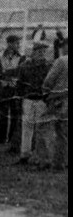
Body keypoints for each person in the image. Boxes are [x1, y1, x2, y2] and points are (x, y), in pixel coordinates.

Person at [14, 41, 52, 166]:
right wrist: (19, 99)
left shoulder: (48, 66)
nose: (42, 54)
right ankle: (25, 154)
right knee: (27, 129)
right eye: (39, 51)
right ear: (34, 52)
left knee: (42, 130)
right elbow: (20, 84)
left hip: (42, 100)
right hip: (28, 100)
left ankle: (40, 156)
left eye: (43, 51)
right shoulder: (25, 66)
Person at [42, 38, 67, 171]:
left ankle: (57, 163)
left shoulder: (61, 61)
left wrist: (46, 93)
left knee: (57, 132)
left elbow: (48, 81)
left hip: (61, 100)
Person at [0, 35, 25, 150]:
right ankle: (0, 138)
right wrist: (8, 75)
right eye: (16, 43)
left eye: (19, 43)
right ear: (9, 44)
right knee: (3, 114)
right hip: (3, 88)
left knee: (15, 114)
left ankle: (11, 138)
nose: (18, 46)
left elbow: (19, 72)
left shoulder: (22, 57)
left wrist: (6, 74)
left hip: (15, 88)